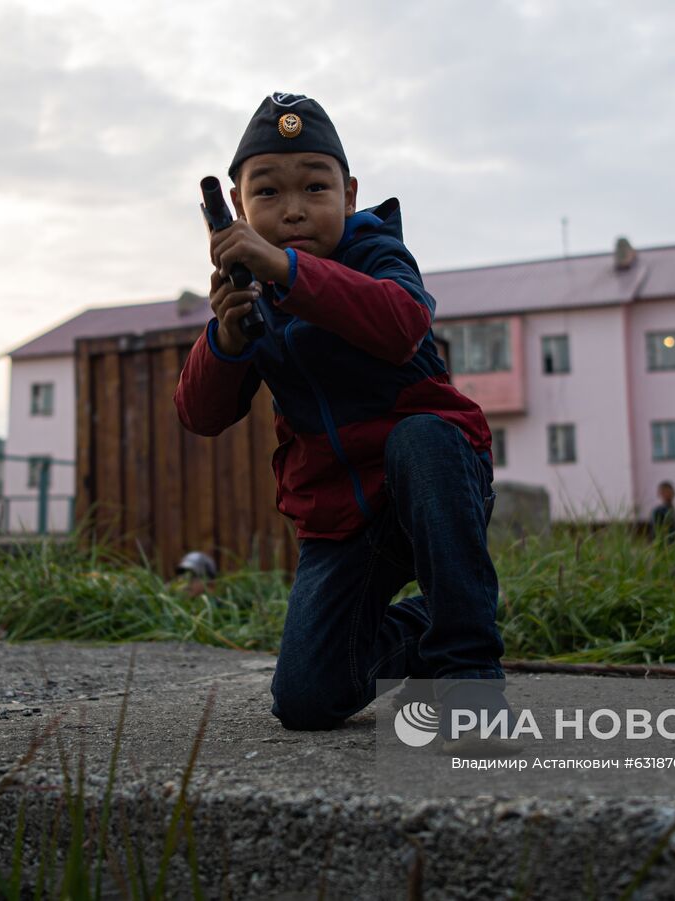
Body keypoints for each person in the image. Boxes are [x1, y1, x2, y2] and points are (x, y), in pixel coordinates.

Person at [174, 93, 507, 738]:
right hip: (341, 519)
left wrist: (288, 268)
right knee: (306, 698)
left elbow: (401, 323)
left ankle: (466, 668)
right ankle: (429, 626)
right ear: (239, 209)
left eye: (315, 188)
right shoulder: (251, 294)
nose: (294, 209)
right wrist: (227, 340)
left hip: (435, 485)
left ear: (349, 195)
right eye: (267, 193)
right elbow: (200, 414)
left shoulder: (378, 254)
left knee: (421, 437)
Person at [649, 480, 675, 551]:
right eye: (664, 492)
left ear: (674, 493)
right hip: (667, 549)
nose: (667, 494)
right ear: (660, 494)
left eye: (669, 491)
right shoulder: (657, 512)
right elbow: (656, 532)